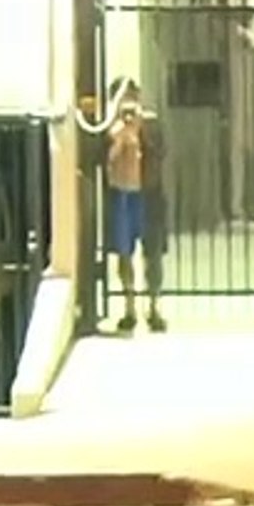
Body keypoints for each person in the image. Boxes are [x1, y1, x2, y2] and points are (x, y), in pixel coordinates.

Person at [105, 76, 168, 333]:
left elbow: (162, 152)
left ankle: (154, 307)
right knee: (123, 252)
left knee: (152, 253)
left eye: (133, 97)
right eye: (123, 99)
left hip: (148, 194)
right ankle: (129, 306)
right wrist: (119, 137)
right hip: (121, 194)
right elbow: (100, 159)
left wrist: (141, 132)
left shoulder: (151, 124)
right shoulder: (108, 127)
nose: (129, 105)